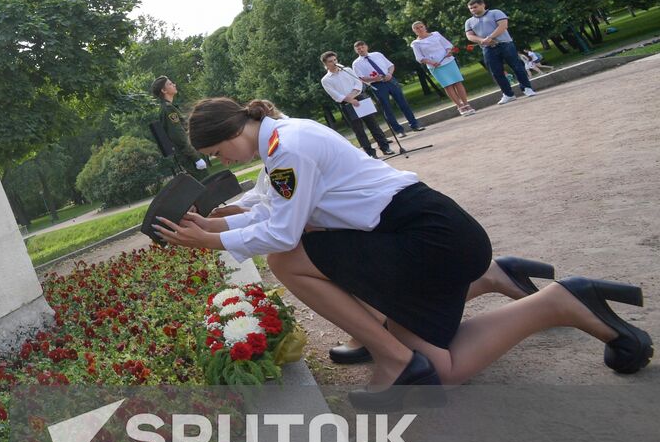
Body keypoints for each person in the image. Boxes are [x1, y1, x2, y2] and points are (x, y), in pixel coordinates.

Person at [153, 99, 651, 402]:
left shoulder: (286, 148)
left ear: (231, 134)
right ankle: (485, 284)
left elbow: (282, 233)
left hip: (429, 243)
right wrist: (221, 218)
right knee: (315, 254)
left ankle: (558, 303)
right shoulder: (282, 140)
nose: (222, 161)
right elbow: (270, 202)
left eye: (218, 154)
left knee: (438, 371)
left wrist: (213, 239)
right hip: (429, 235)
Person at [319, 51, 395, 158]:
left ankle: (385, 147)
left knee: (373, 125)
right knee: (359, 130)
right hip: (347, 103)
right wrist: (350, 100)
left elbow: (358, 83)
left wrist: (353, 96)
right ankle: (370, 154)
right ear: (325, 64)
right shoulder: (326, 80)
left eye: (335, 60)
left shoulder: (347, 70)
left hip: (360, 98)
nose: (334, 63)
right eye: (330, 61)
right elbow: (335, 95)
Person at [464, 0, 537, 104]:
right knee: (496, 72)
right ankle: (508, 94)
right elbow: (469, 36)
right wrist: (482, 40)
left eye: (475, 7)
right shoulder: (469, 22)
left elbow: (503, 26)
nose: (473, 10)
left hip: (505, 44)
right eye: (471, 8)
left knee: (517, 66)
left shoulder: (495, 13)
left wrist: (490, 37)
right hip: (487, 48)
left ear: (483, 5)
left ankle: (527, 88)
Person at [350, 41, 424, 133]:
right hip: (377, 85)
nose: (361, 50)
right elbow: (360, 78)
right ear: (356, 51)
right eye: (358, 49)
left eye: (362, 47)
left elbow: (390, 65)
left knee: (403, 103)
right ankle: (399, 130)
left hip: (390, 80)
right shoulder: (356, 63)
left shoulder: (377, 54)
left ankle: (415, 125)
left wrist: (389, 74)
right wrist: (373, 79)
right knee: (387, 108)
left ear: (366, 47)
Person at [410, 22, 476, 116]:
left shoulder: (436, 34)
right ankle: (460, 106)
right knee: (448, 86)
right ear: (414, 31)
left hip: (449, 61)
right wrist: (431, 62)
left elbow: (448, 45)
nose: (420, 29)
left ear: (425, 27)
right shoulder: (415, 43)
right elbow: (419, 58)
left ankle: (466, 104)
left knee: (458, 82)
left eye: (421, 27)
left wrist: (449, 51)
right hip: (435, 66)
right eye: (417, 28)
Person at [150, 76, 210, 178]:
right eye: (170, 84)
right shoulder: (168, 109)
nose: (174, 84)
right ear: (164, 90)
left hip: (189, 154)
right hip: (188, 157)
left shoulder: (170, 107)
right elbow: (179, 135)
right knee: (206, 184)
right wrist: (196, 158)